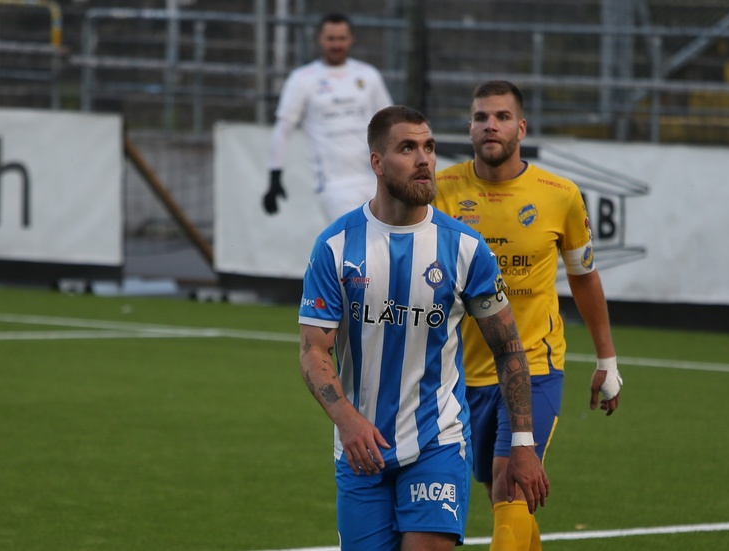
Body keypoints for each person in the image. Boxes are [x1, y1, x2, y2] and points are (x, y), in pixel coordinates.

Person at [298, 105, 549, 551]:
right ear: (377, 162)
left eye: (429, 147)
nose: (424, 159)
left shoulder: (465, 249)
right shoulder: (335, 246)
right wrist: (347, 420)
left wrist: (524, 444)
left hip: (439, 441)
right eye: (408, 148)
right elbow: (313, 351)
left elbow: (509, 350)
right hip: (361, 449)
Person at [433, 80, 623, 551]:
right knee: (500, 494)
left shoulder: (559, 195)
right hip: (463, 373)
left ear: (522, 127)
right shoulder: (440, 191)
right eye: (480, 117)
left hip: (535, 364)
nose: (489, 125)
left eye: (500, 117)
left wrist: (607, 361)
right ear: (470, 127)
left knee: (508, 481)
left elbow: (584, 278)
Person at [263, 12, 393, 222]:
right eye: (331, 39)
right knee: (354, 244)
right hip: (335, 185)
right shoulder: (303, 79)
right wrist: (274, 177)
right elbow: (283, 129)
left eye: (341, 38)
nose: (336, 44)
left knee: (389, 244)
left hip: (375, 177)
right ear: (320, 40)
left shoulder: (368, 75)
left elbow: (390, 123)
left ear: (351, 39)